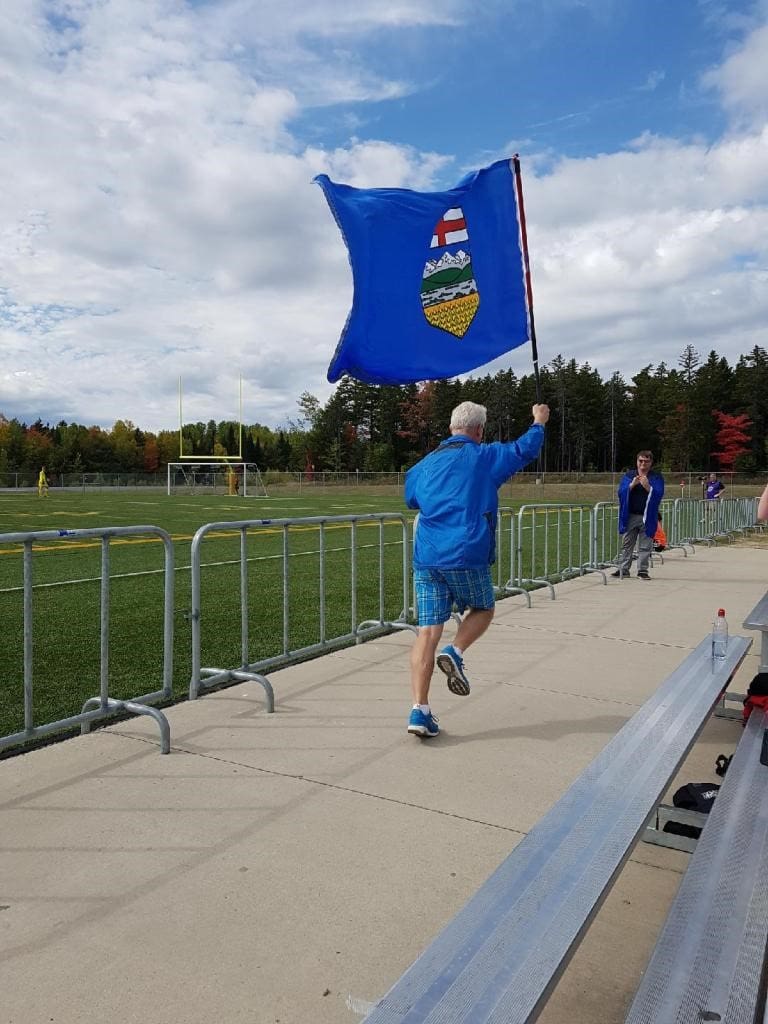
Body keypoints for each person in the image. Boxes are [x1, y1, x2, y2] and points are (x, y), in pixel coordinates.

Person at [403, 400, 550, 737]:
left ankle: (419, 710)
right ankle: (454, 651)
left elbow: (411, 498)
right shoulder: (483, 457)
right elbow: (524, 449)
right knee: (483, 607)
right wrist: (539, 421)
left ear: (452, 427)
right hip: (466, 551)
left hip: (427, 556)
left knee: (426, 632)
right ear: (479, 430)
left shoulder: (425, 464)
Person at [613, 451, 664, 580]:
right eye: (640, 461)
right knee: (627, 544)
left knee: (645, 545)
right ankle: (623, 569)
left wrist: (648, 487)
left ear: (650, 463)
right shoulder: (630, 475)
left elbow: (659, 493)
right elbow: (621, 492)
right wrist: (632, 485)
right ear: (637, 461)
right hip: (631, 515)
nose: (643, 464)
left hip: (648, 516)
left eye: (646, 461)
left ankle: (642, 570)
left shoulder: (656, 477)